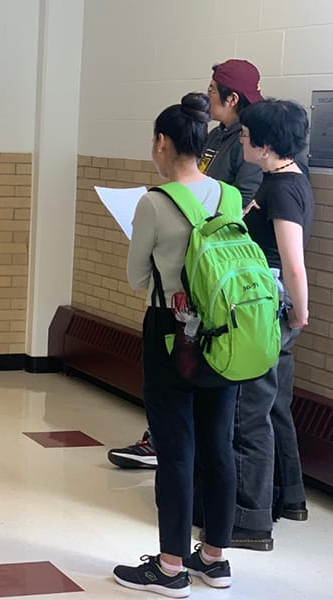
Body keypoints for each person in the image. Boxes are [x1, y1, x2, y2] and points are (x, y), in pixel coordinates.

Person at [108, 59, 264, 470]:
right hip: (204, 298)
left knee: (197, 439)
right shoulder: (217, 140)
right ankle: (214, 534)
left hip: (202, 300)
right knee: (211, 440)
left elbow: (138, 276)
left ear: (163, 142)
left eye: (214, 90)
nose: (207, 96)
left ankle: (181, 507)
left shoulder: (237, 154)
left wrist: (174, 231)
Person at [114, 93, 236, 597]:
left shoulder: (155, 201)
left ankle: (168, 567)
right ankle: (213, 558)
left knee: (176, 449)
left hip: (172, 332)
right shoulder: (229, 195)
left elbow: (135, 275)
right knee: (218, 445)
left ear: (163, 143)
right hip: (227, 334)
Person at [227, 99, 313, 551]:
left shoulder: (280, 190)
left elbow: (293, 263)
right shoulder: (288, 178)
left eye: (244, 136)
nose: (240, 140)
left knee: (249, 415)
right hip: (278, 303)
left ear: (264, 143)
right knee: (276, 406)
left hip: (270, 306)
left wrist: (299, 311)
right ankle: (290, 496)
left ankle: (250, 520)